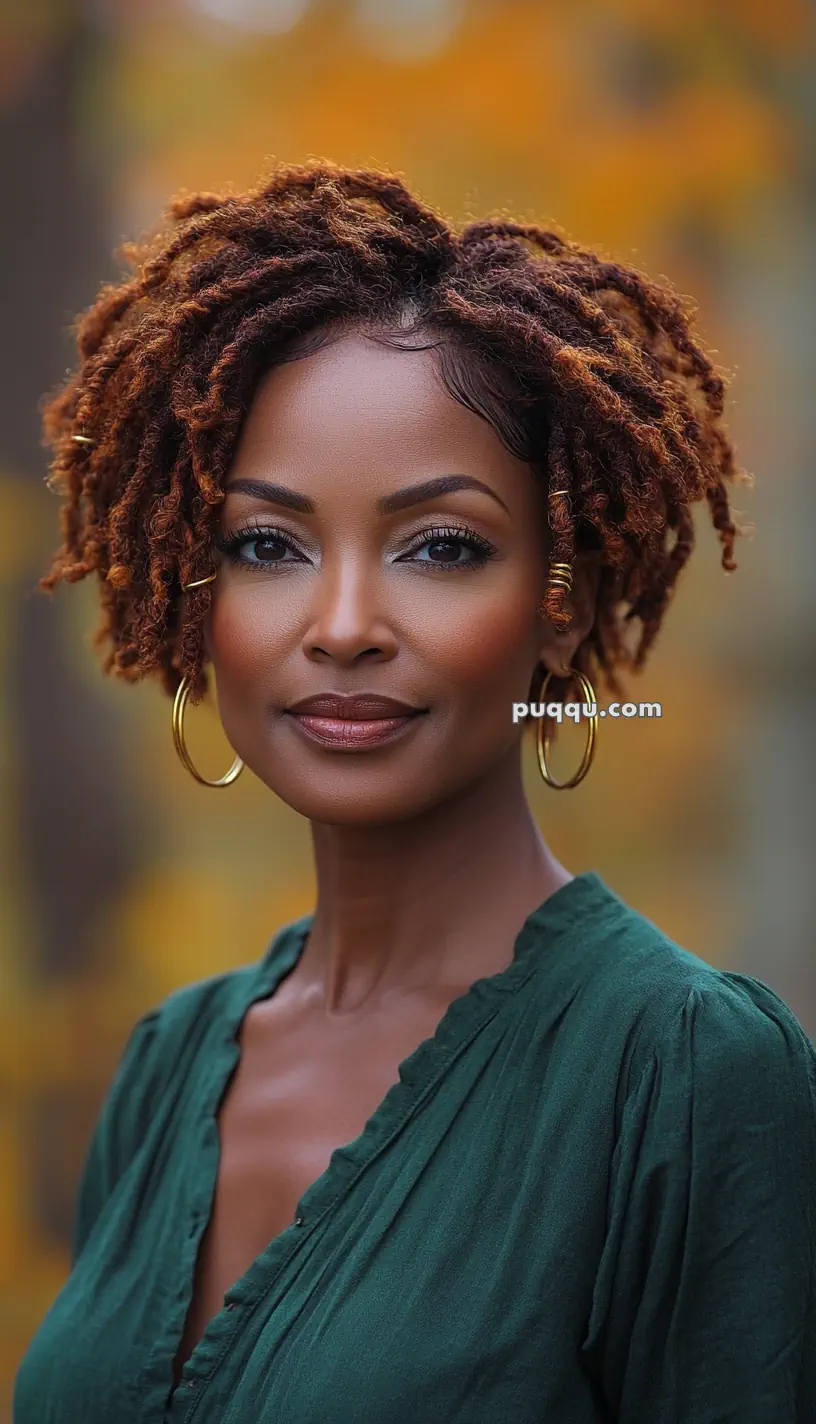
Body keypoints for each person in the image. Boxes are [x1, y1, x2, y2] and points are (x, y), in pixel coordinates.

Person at [13, 162, 816, 1423]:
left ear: (568, 606)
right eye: (265, 544)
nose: (341, 626)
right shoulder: (168, 1065)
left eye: (440, 546)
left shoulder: (688, 1071)